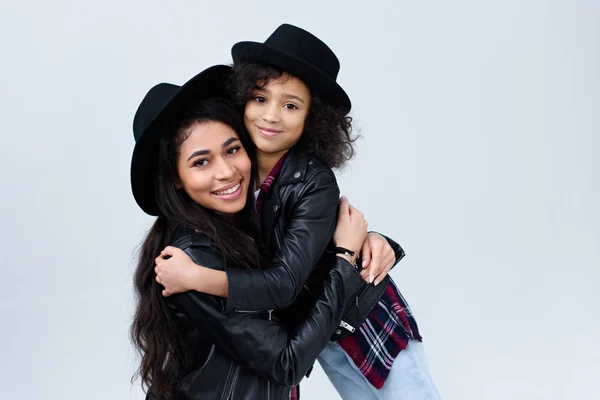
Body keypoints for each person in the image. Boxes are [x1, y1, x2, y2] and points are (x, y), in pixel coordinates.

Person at [155, 25, 441, 399]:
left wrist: (196, 277)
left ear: (313, 120)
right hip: (319, 324)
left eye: (290, 105)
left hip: (363, 314)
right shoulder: (237, 173)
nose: (271, 116)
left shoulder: (314, 181)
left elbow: (286, 282)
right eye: (260, 98)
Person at [129, 64, 370, 400]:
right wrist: (345, 262)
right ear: (174, 178)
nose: (227, 172)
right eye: (201, 162)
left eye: (232, 150)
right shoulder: (192, 259)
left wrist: (372, 241)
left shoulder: (239, 229)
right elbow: (287, 363)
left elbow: (293, 259)